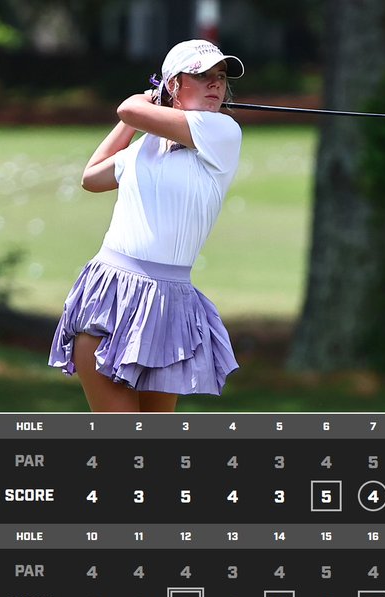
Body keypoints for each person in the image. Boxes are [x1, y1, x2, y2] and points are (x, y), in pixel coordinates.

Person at [48, 39, 245, 412]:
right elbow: (92, 177)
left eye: (220, 77)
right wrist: (133, 122)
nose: (216, 84)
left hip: (169, 304)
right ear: (173, 84)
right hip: (112, 294)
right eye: (202, 76)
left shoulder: (222, 132)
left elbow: (128, 107)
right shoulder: (144, 147)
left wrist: (142, 105)